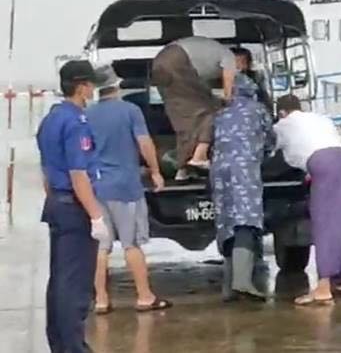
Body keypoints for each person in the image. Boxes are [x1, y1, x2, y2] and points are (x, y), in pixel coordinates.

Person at [86, 65, 172, 314]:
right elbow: (144, 143)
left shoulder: (87, 115)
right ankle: (145, 296)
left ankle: (101, 300)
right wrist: (155, 171)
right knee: (131, 243)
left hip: (97, 187)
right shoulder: (130, 110)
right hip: (125, 186)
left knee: (101, 246)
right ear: (116, 84)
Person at [37, 60, 109, 353]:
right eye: (90, 84)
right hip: (74, 206)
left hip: (57, 203)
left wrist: (56, 199)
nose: (93, 89)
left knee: (59, 280)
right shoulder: (76, 123)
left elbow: (46, 170)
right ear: (81, 87)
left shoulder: (51, 119)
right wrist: (96, 216)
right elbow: (79, 175)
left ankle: (59, 343)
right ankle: (73, 347)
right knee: (75, 284)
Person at [273, 94, 341, 306]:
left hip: (323, 166)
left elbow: (271, 150)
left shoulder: (283, 125)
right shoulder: (320, 119)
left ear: (281, 112)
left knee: (325, 224)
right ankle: (340, 279)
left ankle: (323, 289)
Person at [211, 73, 275, 300]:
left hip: (219, 171)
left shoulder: (221, 113)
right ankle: (242, 282)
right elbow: (271, 141)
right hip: (245, 171)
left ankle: (229, 286)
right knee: (245, 221)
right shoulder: (258, 110)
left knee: (227, 222)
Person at [151, 35, 236, 174]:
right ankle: (199, 156)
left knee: (185, 118)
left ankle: (183, 168)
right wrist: (228, 100)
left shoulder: (207, 59)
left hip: (160, 61)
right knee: (210, 110)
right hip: (178, 59)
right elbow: (228, 78)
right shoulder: (229, 55)